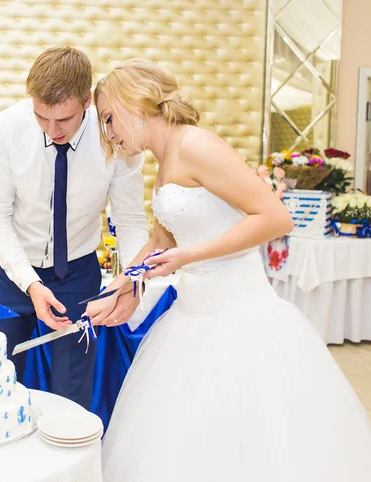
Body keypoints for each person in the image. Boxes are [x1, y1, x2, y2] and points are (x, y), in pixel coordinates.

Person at [87, 58, 371, 481]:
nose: (109, 133)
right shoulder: (162, 162)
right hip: (191, 319)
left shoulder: (196, 144)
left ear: (137, 100)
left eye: (110, 119)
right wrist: (122, 283)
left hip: (240, 318)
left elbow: (275, 217)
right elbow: (163, 242)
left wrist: (190, 256)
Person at [0, 47, 149, 410]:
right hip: (12, 274)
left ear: (87, 101)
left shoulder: (116, 137)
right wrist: (30, 283)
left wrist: (135, 280)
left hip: (77, 276)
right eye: (42, 117)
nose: (52, 130)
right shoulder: (8, 127)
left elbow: (131, 220)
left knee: (72, 394)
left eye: (64, 120)